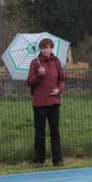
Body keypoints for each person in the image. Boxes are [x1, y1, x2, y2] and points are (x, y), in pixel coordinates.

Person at [26, 37, 66, 167]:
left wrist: (58, 89)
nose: (45, 50)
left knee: (55, 132)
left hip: (54, 102)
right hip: (39, 103)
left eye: (47, 47)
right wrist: (39, 75)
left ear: (51, 48)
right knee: (39, 133)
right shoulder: (35, 63)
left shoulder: (56, 62)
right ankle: (39, 160)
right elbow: (29, 82)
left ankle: (58, 159)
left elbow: (62, 80)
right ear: (40, 49)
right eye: (43, 48)